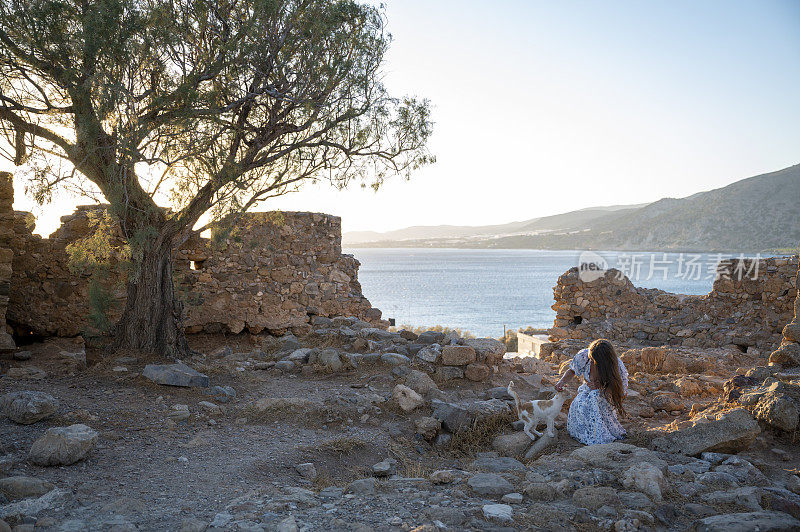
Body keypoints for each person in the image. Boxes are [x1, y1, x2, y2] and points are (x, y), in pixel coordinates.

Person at [554, 338, 628, 445]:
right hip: (586, 390)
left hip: (605, 395)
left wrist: (603, 387)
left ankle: (597, 434)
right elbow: (572, 370)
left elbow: (622, 392)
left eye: (595, 360)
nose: (592, 360)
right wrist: (561, 382)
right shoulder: (584, 356)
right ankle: (582, 433)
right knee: (579, 404)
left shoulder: (617, 366)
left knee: (594, 400)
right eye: (591, 357)